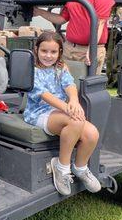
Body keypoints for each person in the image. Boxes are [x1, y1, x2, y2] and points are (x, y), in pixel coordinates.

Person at [23, 31, 101, 195]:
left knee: (92, 133)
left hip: (60, 111)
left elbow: (69, 85)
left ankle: (80, 168)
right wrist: (68, 109)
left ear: (59, 52)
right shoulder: (32, 71)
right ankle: (62, 167)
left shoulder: (60, 68)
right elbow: (44, 95)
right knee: (77, 121)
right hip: (39, 112)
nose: (48, 56)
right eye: (44, 51)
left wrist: (73, 101)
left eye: (53, 52)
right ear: (36, 49)